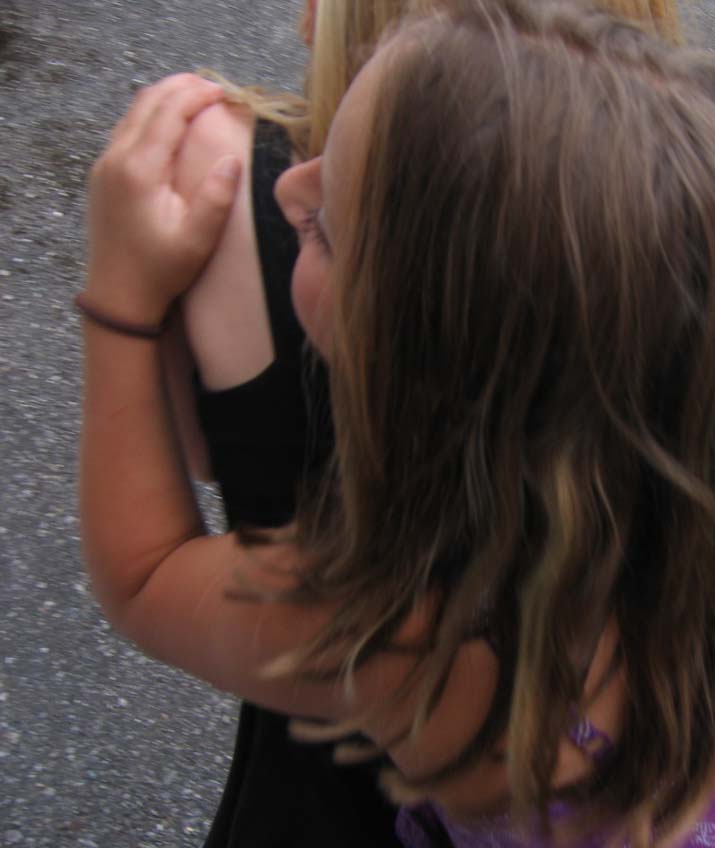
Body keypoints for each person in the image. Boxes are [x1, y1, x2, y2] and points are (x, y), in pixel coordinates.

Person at [78, 0, 715, 844]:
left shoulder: (426, 645)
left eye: (326, 231)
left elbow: (145, 577)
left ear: (433, 387)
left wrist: (122, 294)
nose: (285, 187)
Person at [161, 0, 684, 844]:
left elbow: (152, 560)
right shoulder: (700, 282)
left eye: (324, 230)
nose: (305, 24)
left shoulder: (408, 634)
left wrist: (117, 307)